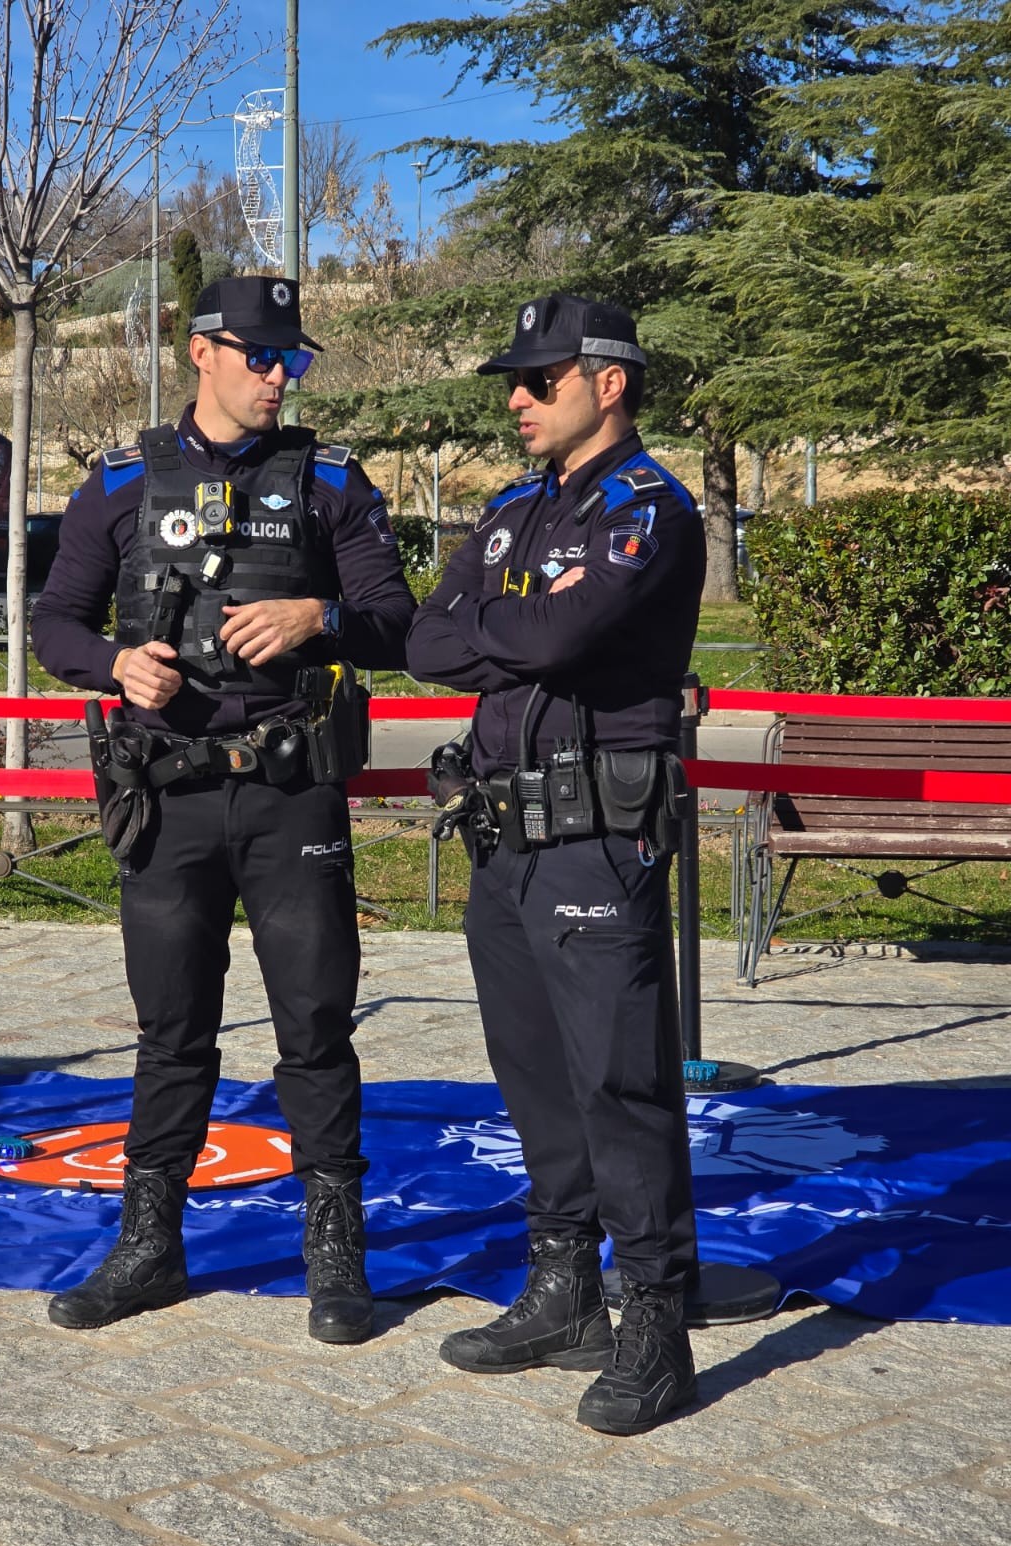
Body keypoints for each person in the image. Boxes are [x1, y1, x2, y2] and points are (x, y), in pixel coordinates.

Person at [32, 275, 415, 1343]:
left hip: (292, 796)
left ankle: (335, 1256)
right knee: (172, 1032)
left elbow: (400, 622)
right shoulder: (118, 483)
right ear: (199, 352)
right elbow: (53, 621)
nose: (278, 376)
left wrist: (317, 613)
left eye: (291, 359)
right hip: (168, 798)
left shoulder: (332, 481)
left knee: (316, 1027)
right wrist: (115, 665)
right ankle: (150, 1246)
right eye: (260, 356)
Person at [406, 291, 706, 1434]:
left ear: (609, 381)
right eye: (512, 383)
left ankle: (656, 1325)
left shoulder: (651, 508)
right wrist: (505, 612)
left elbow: (553, 640)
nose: (517, 400)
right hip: (502, 838)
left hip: (597, 833)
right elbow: (428, 639)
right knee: (534, 1081)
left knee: (620, 1086)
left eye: (539, 380)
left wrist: (498, 617)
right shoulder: (513, 509)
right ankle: (564, 1288)